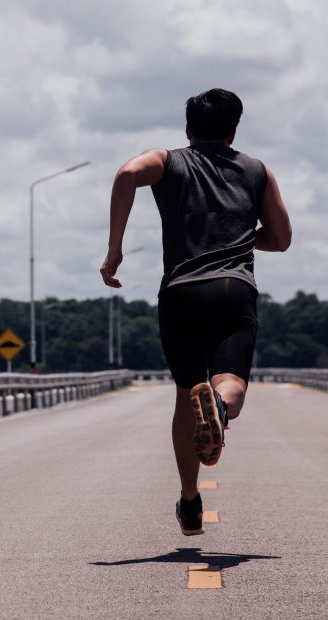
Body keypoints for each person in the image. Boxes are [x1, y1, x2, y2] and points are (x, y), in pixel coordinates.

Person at [100, 88, 292, 536]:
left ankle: (190, 500)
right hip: (233, 288)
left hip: (180, 293)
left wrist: (114, 250)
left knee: (188, 393)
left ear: (188, 128)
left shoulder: (168, 161)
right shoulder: (257, 171)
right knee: (231, 381)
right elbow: (281, 239)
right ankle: (222, 411)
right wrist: (242, 236)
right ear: (234, 129)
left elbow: (127, 172)